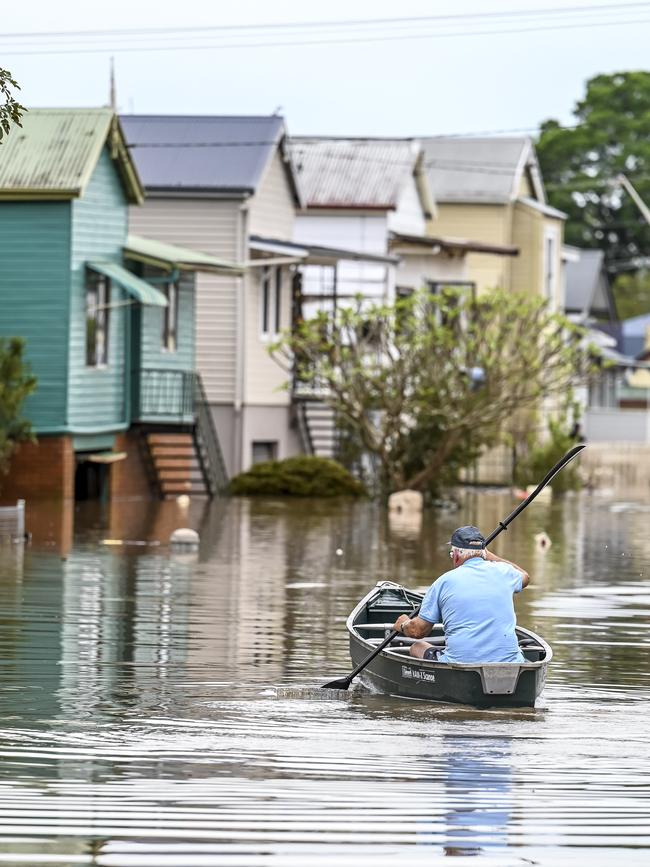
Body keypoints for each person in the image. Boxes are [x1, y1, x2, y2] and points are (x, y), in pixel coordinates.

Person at [392, 525, 529, 664]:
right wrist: (488, 556)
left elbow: (418, 631)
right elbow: (525, 577)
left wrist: (403, 625)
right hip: (511, 663)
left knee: (417, 647)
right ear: (483, 552)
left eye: (451, 554)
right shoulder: (504, 572)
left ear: (456, 555)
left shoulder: (443, 582)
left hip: (461, 663)